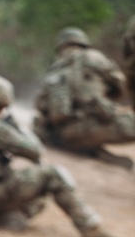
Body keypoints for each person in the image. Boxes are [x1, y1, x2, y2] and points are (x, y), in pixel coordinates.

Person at [0, 76, 124, 237]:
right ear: (5, 102)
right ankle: (90, 227)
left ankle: (7, 219)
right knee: (53, 174)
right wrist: (16, 126)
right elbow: (35, 151)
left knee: (37, 199)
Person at [32, 27, 135, 169]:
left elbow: (41, 105)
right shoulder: (93, 57)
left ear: (61, 46)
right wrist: (107, 97)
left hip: (64, 135)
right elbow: (120, 84)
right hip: (94, 128)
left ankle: (92, 151)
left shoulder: (54, 66)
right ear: (83, 43)